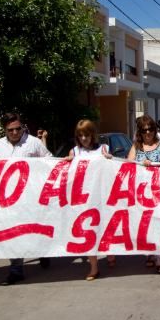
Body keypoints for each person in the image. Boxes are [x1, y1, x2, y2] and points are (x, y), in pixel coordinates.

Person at [0, 112, 52, 285]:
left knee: (33, 228)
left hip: (31, 197)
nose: (15, 132)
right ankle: (16, 269)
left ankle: (43, 251)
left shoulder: (33, 143)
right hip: (8, 200)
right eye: (11, 130)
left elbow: (49, 160)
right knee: (13, 232)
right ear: (5, 129)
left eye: (18, 129)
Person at [66, 120, 114, 280]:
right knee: (88, 231)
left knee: (106, 226)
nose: (84, 138)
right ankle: (94, 267)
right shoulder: (74, 152)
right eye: (80, 135)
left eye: (86, 134)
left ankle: (110, 252)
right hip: (84, 199)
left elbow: (114, 171)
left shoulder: (103, 149)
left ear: (92, 134)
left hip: (103, 196)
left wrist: (110, 160)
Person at [127, 115, 160, 273]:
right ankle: (150, 253)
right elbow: (128, 165)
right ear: (140, 132)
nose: (148, 133)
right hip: (142, 194)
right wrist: (140, 164)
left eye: (151, 129)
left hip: (159, 193)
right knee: (146, 224)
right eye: (144, 130)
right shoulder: (136, 147)